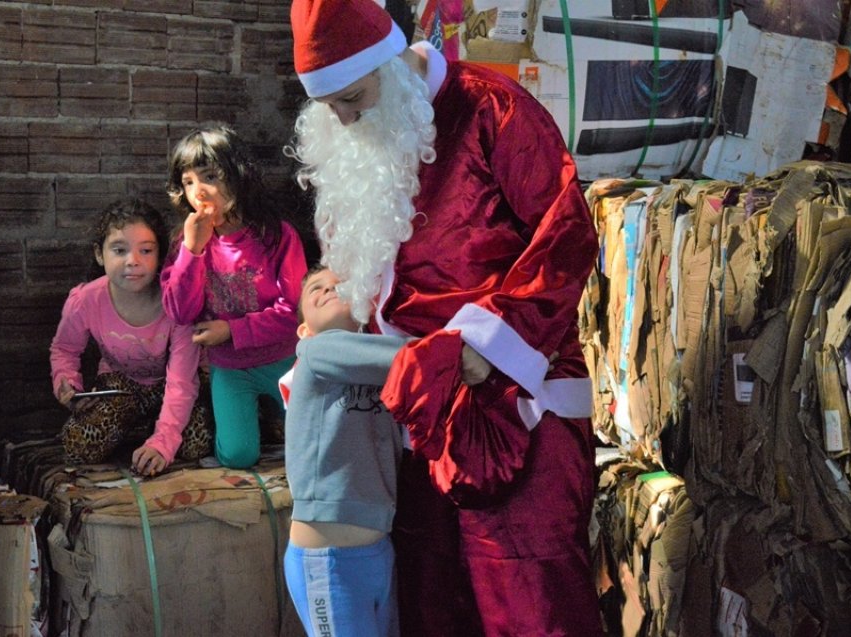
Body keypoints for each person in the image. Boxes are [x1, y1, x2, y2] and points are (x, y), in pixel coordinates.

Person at [287, 1, 603, 635]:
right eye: (331, 108)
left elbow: (566, 234)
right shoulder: (359, 143)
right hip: (414, 418)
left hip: (516, 406)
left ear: (393, 63)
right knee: (433, 604)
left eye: (353, 97)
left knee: (529, 604)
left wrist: (489, 341)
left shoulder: (492, 108)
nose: (344, 118)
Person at [161, 124, 308, 469]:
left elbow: (295, 312)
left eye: (209, 176)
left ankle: (274, 417)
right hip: (231, 368)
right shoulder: (186, 242)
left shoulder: (276, 235)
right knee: (238, 456)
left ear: (237, 176)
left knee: (317, 440)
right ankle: (258, 419)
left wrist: (231, 331)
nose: (199, 191)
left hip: (285, 359)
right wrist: (192, 251)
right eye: (188, 182)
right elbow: (180, 312)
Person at [283, 265, 409, 637]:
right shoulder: (317, 350)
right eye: (314, 290)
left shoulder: (374, 363)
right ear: (303, 330)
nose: (328, 289)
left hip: (376, 550)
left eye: (340, 284)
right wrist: (465, 347)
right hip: (329, 561)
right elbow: (411, 356)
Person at [50, 197, 213, 476]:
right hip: (121, 386)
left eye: (146, 250)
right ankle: (141, 425)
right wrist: (67, 383)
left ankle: (157, 428)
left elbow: (182, 381)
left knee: (197, 442)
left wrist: (163, 442)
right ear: (100, 254)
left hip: (175, 387)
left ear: (160, 255)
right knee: (78, 443)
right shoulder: (86, 300)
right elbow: (64, 348)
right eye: (119, 250)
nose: (132, 261)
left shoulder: (178, 305)